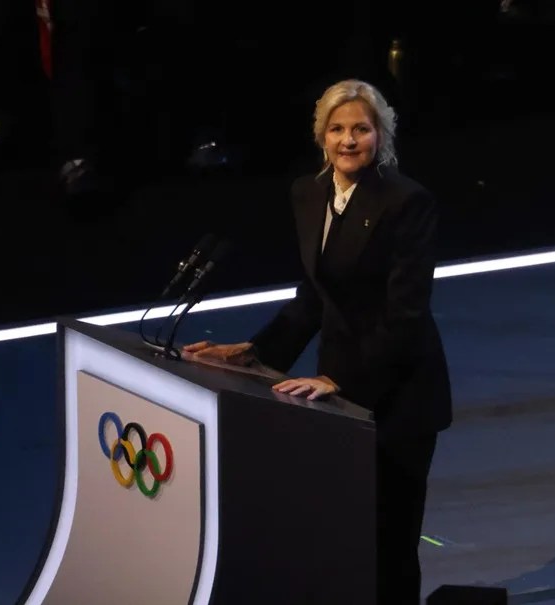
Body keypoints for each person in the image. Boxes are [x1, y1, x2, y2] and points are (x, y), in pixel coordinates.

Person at [183, 78, 452, 604]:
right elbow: (314, 296)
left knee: (390, 540)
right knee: (344, 532)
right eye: (337, 129)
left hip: (397, 395)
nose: (349, 140)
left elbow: (407, 315)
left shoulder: (407, 201)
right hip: (334, 395)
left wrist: (341, 380)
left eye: (361, 129)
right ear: (321, 137)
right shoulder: (308, 193)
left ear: (381, 135)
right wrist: (256, 352)